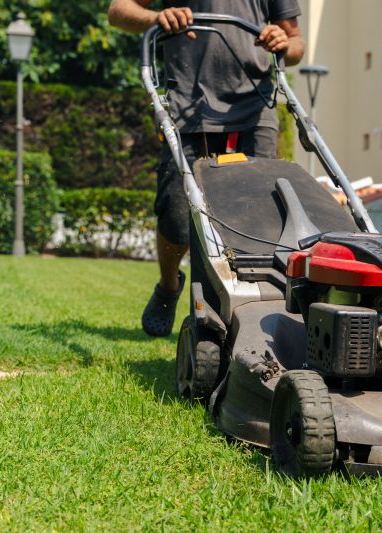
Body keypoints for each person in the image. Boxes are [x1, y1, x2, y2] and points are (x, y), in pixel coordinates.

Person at [108, 1, 305, 336]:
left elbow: (296, 43)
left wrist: (283, 43)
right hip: (187, 105)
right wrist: (157, 17)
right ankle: (169, 285)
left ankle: (254, 307)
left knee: (263, 215)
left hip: (255, 106)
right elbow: (118, 11)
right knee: (176, 217)